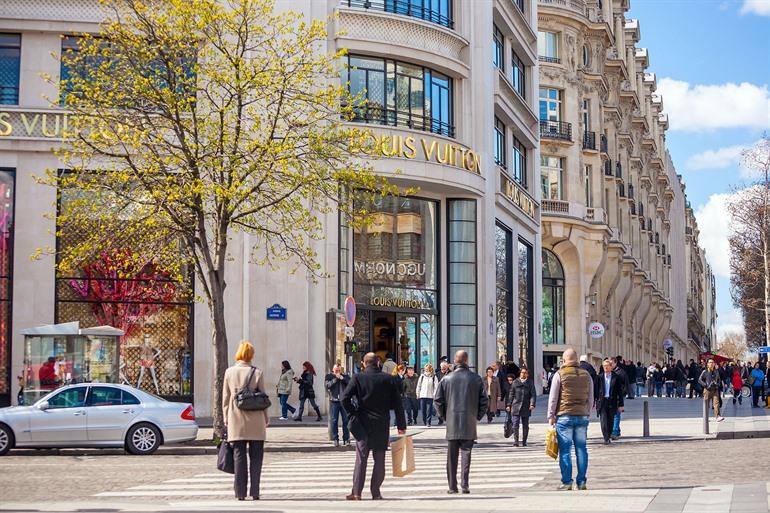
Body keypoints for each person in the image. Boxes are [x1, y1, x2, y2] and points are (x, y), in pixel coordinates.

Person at [340, 352, 406, 501]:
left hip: (362, 423)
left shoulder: (358, 378)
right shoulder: (388, 379)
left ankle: (357, 492)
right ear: (378, 363)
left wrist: (352, 413)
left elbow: (344, 398)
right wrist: (401, 425)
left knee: (361, 459)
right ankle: (376, 492)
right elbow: (398, 404)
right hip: (382, 424)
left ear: (364, 363)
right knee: (379, 459)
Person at [433, 350, 487, 495]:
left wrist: (445, 416)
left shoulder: (446, 379)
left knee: (451, 458)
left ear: (455, 361)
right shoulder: (476, 379)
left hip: (452, 421)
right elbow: (484, 401)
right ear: (467, 360)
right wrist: (476, 416)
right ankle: (465, 484)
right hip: (469, 421)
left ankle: (452, 486)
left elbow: (437, 401)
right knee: (466, 455)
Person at [222, 341, 268, 501]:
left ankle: (240, 492)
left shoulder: (229, 372)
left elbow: (226, 399)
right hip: (256, 420)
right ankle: (255, 491)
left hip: (236, 418)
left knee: (239, 456)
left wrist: (226, 418)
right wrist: (266, 418)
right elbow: (263, 398)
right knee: (256, 458)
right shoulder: (257, 373)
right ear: (251, 355)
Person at [548, 348, 593, 491]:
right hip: (582, 416)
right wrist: (587, 412)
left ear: (564, 360)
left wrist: (551, 415)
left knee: (565, 450)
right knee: (581, 449)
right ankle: (581, 481)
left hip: (564, 416)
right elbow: (591, 397)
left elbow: (553, 397)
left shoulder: (559, 374)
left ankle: (567, 482)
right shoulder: (587, 375)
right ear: (577, 360)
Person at [595, 359, 624, 444]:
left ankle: (609, 434)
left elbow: (620, 392)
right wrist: (594, 401)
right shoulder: (599, 377)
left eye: (607, 366)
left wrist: (621, 404)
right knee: (603, 420)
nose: (606, 368)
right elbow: (596, 390)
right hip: (602, 401)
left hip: (612, 401)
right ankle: (606, 438)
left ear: (611, 367)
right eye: (604, 366)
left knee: (610, 420)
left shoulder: (616, 377)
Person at [505, 367, 536, 447]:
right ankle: (516, 441)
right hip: (516, 406)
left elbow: (533, 394)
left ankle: (524, 441)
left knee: (525, 425)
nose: (523, 374)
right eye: (522, 372)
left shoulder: (530, 382)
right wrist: (509, 404)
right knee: (515, 424)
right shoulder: (515, 382)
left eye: (525, 373)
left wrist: (532, 404)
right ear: (520, 373)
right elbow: (511, 394)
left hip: (526, 406)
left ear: (527, 374)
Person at [325, 364, 350, 446]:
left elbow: (350, 384)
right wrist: (335, 378)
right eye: (336, 371)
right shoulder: (329, 376)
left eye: (339, 371)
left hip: (344, 401)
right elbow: (327, 385)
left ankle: (346, 439)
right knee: (334, 420)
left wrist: (342, 378)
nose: (338, 372)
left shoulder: (345, 376)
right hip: (334, 401)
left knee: (346, 420)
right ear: (333, 370)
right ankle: (335, 439)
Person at [610, 357, 627, 439]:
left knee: (616, 414)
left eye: (611, 363)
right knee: (614, 414)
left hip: (618, 396)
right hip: (611, 396)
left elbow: (625, 385)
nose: (610, 365)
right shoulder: (610, 372)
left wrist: (622, 394)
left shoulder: (621, 372)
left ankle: (615, 432)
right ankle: (617, 430)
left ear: (615, 363)